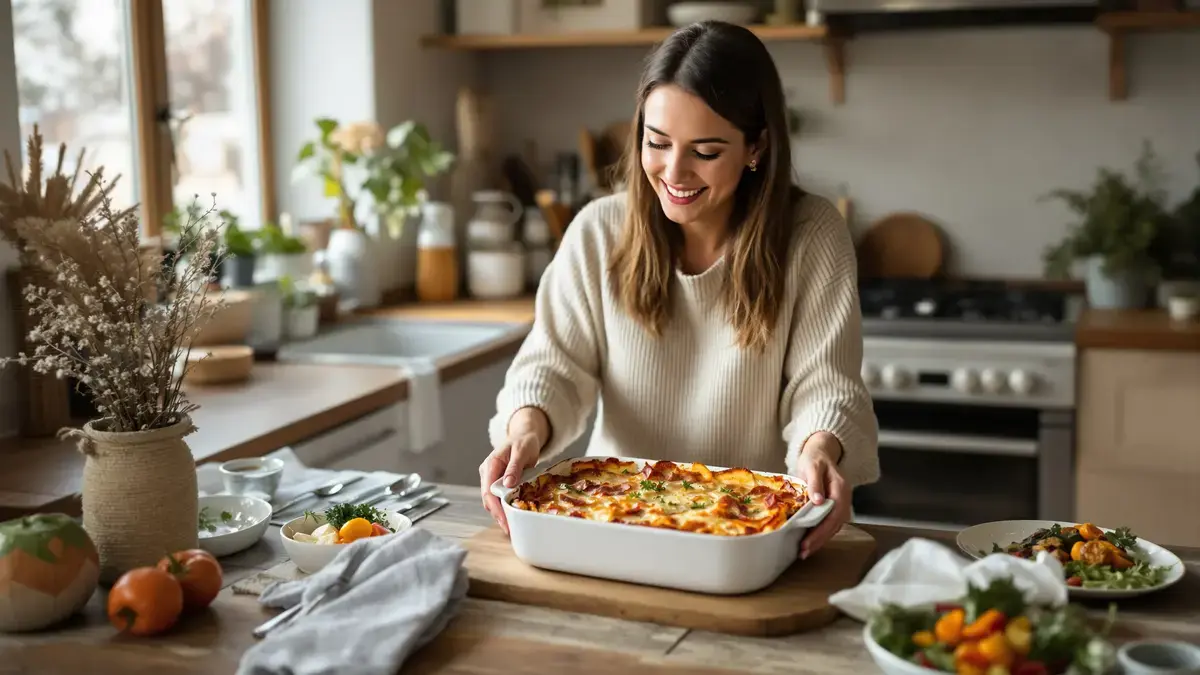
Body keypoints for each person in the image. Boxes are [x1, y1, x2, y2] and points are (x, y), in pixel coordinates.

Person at [478, 20, 880, 559]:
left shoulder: (812, 234)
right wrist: (525, 429)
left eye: (705, 152)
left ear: (757, 146)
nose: (674, 171)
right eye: (657, 142)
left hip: (747, 527)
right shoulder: (598, 231)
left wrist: (819, 450)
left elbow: (824, 384)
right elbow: (554, 365)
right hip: (609, 517)